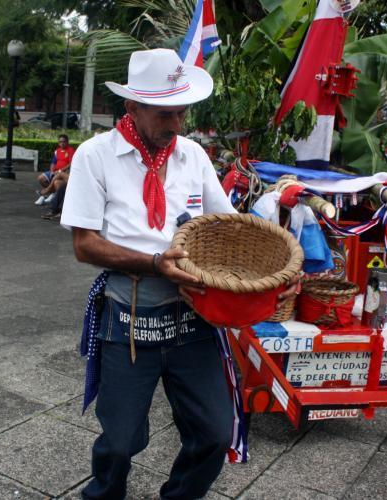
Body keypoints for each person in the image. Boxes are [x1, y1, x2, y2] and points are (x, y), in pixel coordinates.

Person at [61, 49, 297, 500]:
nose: (176, 124)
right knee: (121, 442)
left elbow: (227, 226)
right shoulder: (96, 156)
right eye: (165, 114)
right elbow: (84, 245)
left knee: (214, 431)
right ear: (131, 107)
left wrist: (274, 239)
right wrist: (153, 263)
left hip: (194, 317)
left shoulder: (192, 156)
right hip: (129, 315)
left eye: (181, 112)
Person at [35, 134, 74, 205]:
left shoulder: (70, 150)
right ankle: (51, 193)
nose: (62, 143)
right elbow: (53, 162)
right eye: (60, 142)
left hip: (63, 172)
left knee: (56, 183)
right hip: (55, 171)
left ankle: (47, 192)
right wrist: (52, 171)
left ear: (67, 142)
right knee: (41, 178)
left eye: (64, 141)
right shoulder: (57, 151)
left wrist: (60, 171)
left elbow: (71, 163)